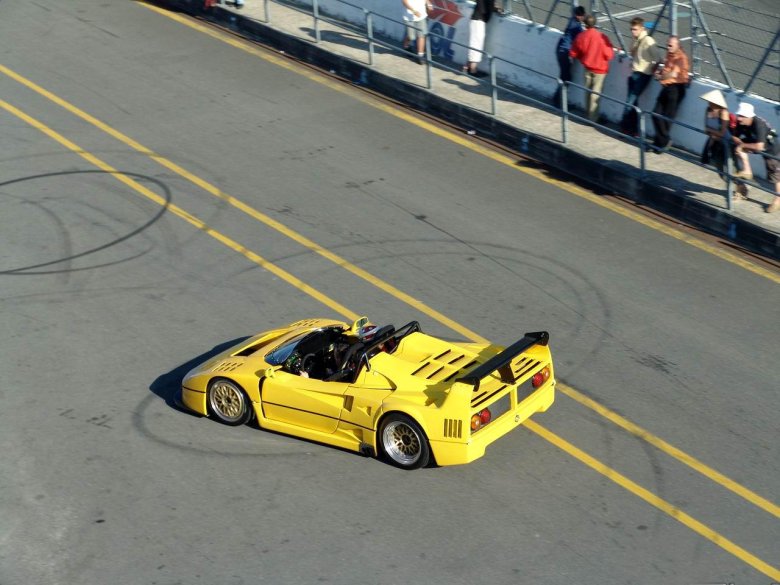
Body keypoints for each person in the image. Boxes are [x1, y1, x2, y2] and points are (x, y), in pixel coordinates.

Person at [730, 102, 780, 211]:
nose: (739, 118)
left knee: (775, 176)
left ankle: (778, 201)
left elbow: (759, 147)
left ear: (749, 116)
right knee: (737, 147)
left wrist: (742, 145)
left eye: (742, 116)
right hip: (756, 144)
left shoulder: (759, 124)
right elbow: (734, 136)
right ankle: (747, 171)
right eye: (739, 115)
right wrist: (740, 145)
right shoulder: (741, 123)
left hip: (771, 150)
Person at [569, 14, 614, 122]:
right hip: (600, 70)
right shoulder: (601, 37)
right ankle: (593, 118)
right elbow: (609, 55)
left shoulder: (581, 36)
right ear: (595, 23)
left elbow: (574, 52)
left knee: (588, 92)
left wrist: (582, 58)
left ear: (585, 25)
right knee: (595, 94)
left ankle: (588, 114)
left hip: (587, 68)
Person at [620, 17, 660, 135]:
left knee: (629, 102)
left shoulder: (648, 41)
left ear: (642, 28)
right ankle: (634, 129)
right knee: (633, 102)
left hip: (642, 75)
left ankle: (624, 127)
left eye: (635, 29)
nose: (633, 32)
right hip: (634, 73)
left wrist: (651, 70)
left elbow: (657, 58)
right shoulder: (636, 40)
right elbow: (632, 53)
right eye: (631, 29)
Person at [651, 36, 690, 152]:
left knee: (667, 118)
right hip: (667, 87)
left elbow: (673, 74)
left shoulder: (681, 58)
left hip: (676, 89)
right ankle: (663, 140)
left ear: (678, 46)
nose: (668, 47)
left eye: (670, 45)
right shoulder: (669, 54)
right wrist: (660, 72)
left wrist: (660, 76)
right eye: (667, 45)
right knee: (655, 113)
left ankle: (660, 142)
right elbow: (667, 69)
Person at [553, 6, 585, 106]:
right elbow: (583, 39)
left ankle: (557, 98)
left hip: (560, 50)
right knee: (566, 78)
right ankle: (560, 102)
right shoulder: (577, 27)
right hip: (566, 52)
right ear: (580, 16)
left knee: (564, 76)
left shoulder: (571, 21)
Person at [699, 89, 731, 179]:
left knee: (730, 168)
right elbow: (706, 127)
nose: (708, 103)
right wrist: (712, 133)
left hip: (725, 142)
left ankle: (739, 188)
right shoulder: (708, 110)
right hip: (714, 140)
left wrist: (712, 132)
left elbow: (722, 133)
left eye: (711, 101)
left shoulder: (723, 112)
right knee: (720, 170)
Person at [463, 0, 500, 77]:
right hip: (479, 20)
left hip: (478, 19)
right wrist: (487, 13)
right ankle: (473, 70)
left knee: (475, 44)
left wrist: (495, 9)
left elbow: (489, 5)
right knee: (476, 45)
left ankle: (467, 67)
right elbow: (486, 6)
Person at [402, 0, 432, 65]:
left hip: (421, 16)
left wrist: (428, 3)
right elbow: (404, 2)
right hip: (408, 17)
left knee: (421, 35)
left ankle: (420, 56)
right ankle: (406, 46)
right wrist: (414, 11)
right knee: (411, 36)